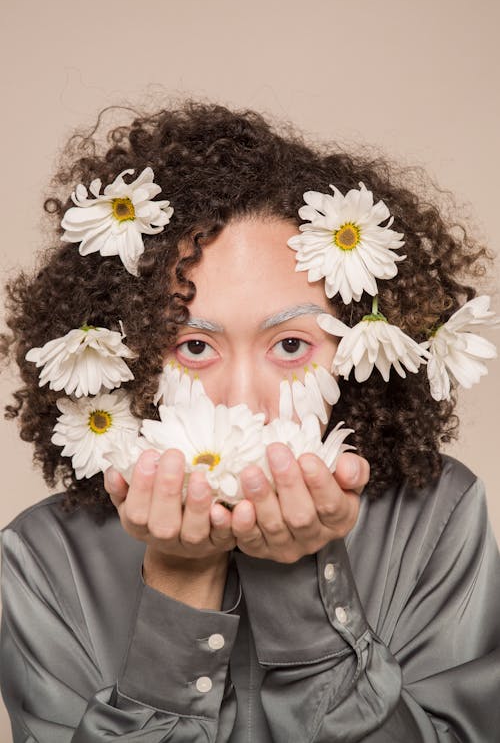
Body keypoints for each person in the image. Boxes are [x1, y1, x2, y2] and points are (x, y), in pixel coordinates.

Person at [0, 101, 499, 742]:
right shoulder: (40, 562)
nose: (242, 403)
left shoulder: (437, 516)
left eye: (290, 346)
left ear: (351, 354)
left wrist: (306, 586)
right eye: (194, 347)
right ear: (130, 361)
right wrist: (177, 581)